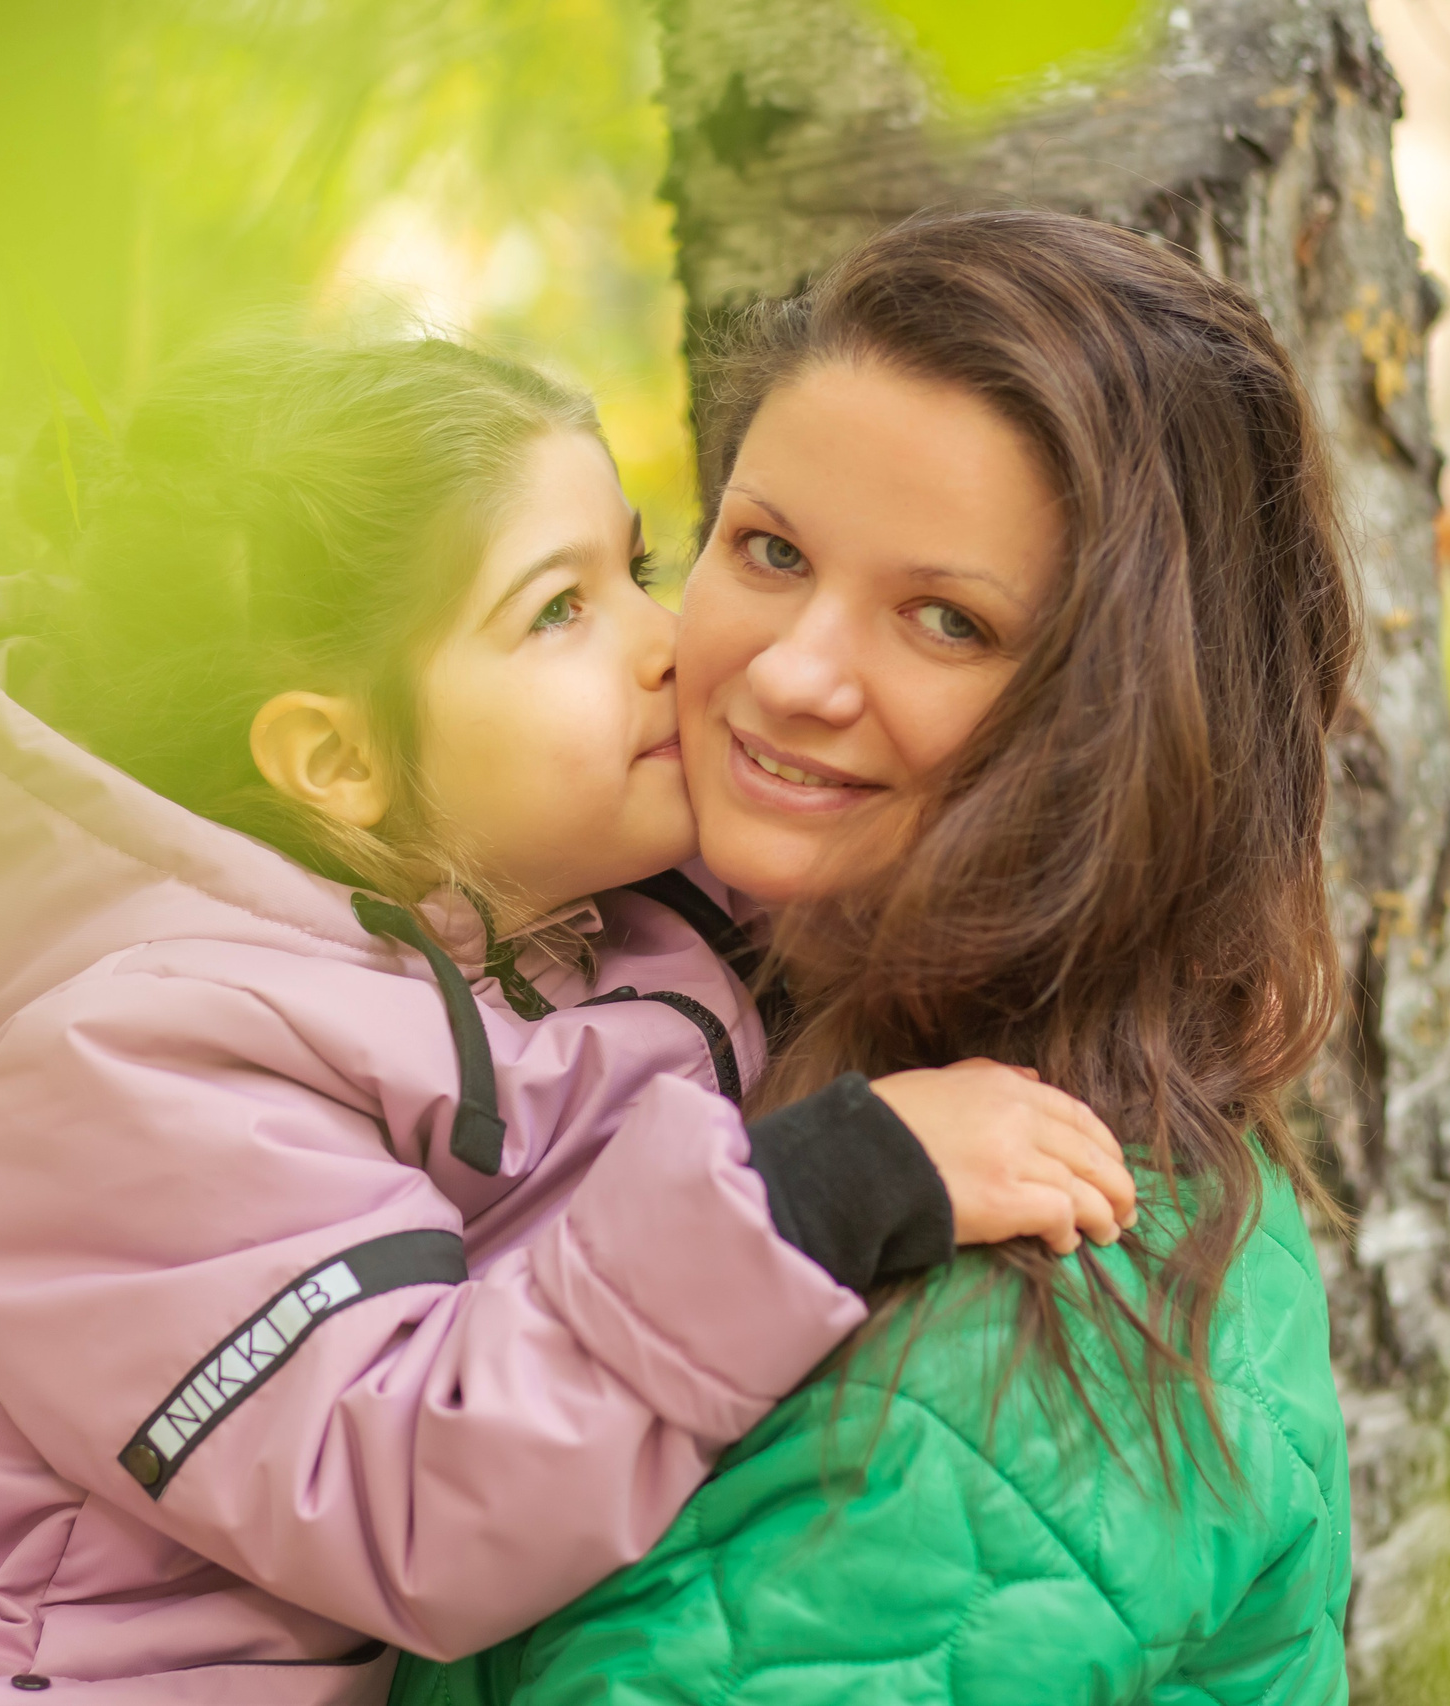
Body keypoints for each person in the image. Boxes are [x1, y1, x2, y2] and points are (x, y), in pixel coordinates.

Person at [0, 333, 1138, 1704]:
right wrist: (832, 1187)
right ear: (340, 759)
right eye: (558, 611)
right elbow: (408, 1487)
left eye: (639, 568)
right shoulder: (125, 1077)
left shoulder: (565, 897)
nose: (676, 646)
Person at [394, 210, 1360, 1705]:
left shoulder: (1019, 1342)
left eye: (947, 620)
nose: (789, 672)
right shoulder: (685, 992)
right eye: (769, 548)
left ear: (1125, 724)